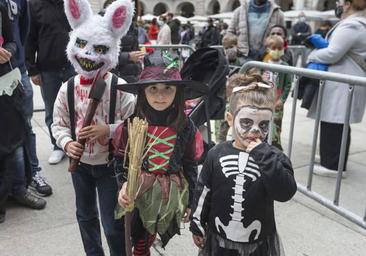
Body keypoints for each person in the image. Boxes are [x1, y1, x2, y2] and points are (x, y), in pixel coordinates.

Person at [51, 0, 136, 254]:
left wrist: (108, 130)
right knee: (86, 217)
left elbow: (135, 123)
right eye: (82, 45)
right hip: (81, 169)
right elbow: (59, 124)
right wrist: (67, 143)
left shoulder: (119, 88)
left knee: (112, 225)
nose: (89, 55)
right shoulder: (67, 88)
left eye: (99, 49)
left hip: (110, 167)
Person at [190, 73, 297, 256]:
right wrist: (197, 224)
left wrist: (265, 155)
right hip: (219, 241)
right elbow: (203, 191)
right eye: (246, 122)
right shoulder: (216, 154)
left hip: (259, 241)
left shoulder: (275, 157)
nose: (255, 131)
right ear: (231, 119)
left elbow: (285, 192)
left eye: (263, 125)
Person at [115, 50, 207, 255]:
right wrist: (123, 185)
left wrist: (191, 201)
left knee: (151, 232)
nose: (160, 95)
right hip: (138, 188)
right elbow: (121, 158)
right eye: (153, 88)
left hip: (168, 191)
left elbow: (191, 164)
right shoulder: (133, 122)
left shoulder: (185, 126)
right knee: (137, 237)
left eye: (168, 88)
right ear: (143, 91)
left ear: (178, 91)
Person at [306, 0, 366, 177]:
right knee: (333, 120)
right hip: (342, 81)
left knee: (336, 121)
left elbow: (332, 53)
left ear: (347, 4)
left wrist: (312, 55)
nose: (337, 3)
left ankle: (333, 166)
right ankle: (330, 158)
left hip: (343, 82)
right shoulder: (354, 24)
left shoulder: (352, 26)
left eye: (340, 1)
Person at [0, 0, 45, 224]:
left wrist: (10, 52)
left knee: (20, 131)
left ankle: (22, 184)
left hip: (12, 73)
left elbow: (20, 34)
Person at [7, 0, 53, 198]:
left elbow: (24, 32)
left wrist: (21, 60)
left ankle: (33, 173)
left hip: (16, 70)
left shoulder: (20, 1)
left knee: (25, 126)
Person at [26, 0, 76, 165]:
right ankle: (58, 146)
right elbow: (30, 38)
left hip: (73, 65)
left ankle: (75, 142)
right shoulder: (34, 5)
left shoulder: (72, 3)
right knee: (52, 109)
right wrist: (32, 69)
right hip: (47, 68)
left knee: (76, 107)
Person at [262, 35, 292, 150]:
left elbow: (288, 85)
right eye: (274, 48)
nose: (277, 51)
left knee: (276, 125)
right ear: (268, 49)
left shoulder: (285, 66)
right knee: (264, 123)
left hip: (277, 101)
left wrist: (282, 99)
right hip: (265, 100)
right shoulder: (264, 63)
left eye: (280, 48)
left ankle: (275, 146)